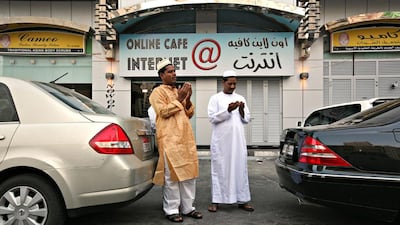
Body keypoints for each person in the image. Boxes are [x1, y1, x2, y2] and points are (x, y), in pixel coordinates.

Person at [149, 59, 202, 223]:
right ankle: (171, 209)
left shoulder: (177, 91)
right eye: (170, 71)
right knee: (171, 177)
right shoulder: (157, 93)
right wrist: (180, 98)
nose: (174, 74)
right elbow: (164, 112)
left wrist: (188, 98)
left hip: (185, 139)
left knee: (188, 175)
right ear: (161, 75)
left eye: (174, 71)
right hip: (170, 140)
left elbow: (188, 113)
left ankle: (188, 208)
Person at [207, 70, 254, 213]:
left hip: (238, 141)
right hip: (221, 142)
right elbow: (212, 118)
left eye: (235, 83)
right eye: (230, 83)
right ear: (223, 82)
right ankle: (216, 201)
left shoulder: (241, 97)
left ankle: (242, 200)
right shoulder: (215, 98)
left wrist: (240, 110)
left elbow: (246, 118)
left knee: (240, 168)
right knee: (220, 169)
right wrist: (228, 110)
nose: (233, 86)